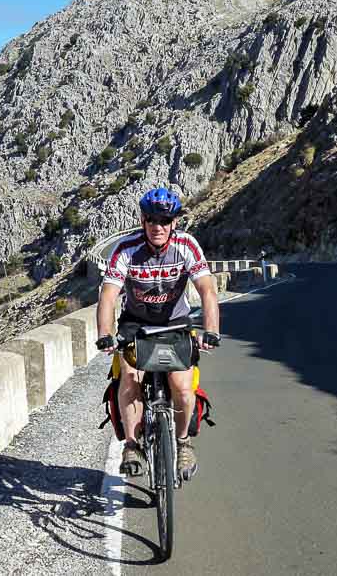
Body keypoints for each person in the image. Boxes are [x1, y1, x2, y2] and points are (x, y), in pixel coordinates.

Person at [96, 187, 220, 481]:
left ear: (174, 222)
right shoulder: (126, 249)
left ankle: (183, 444)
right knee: (129, 378)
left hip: (176, 324)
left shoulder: (187, 246)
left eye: (165, 220)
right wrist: (105, 334)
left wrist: (211, 330)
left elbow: (207, 289)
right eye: (151, 219)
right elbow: (109, 295)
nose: (158, 226)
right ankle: (131, 445)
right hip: (134, 326)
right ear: (143, 220)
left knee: (183, 387)